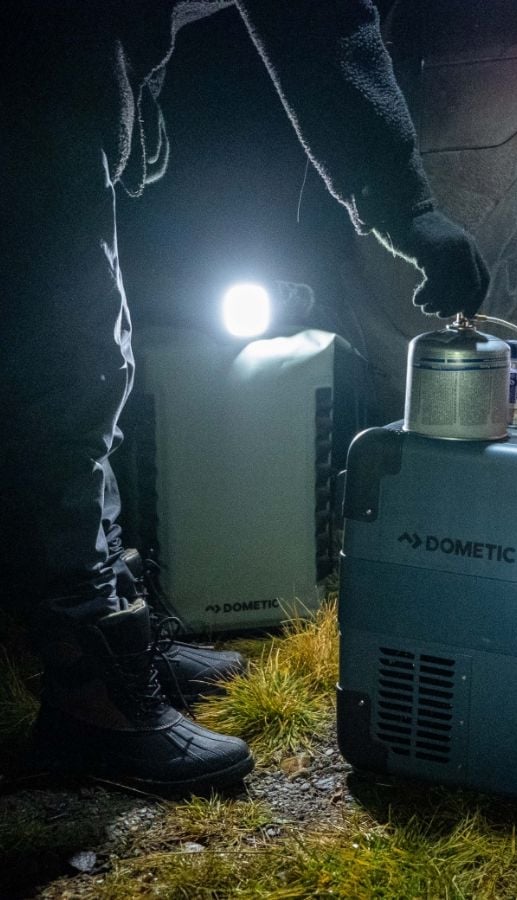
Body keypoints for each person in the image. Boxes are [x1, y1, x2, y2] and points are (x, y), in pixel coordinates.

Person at [0, 1, 489, 794]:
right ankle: (90, 698)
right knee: (64, 379)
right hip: (28, 81)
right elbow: (321, 23)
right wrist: (409, 207)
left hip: (56, 80)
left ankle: (118, 639)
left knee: (95, 364)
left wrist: (129, 91)